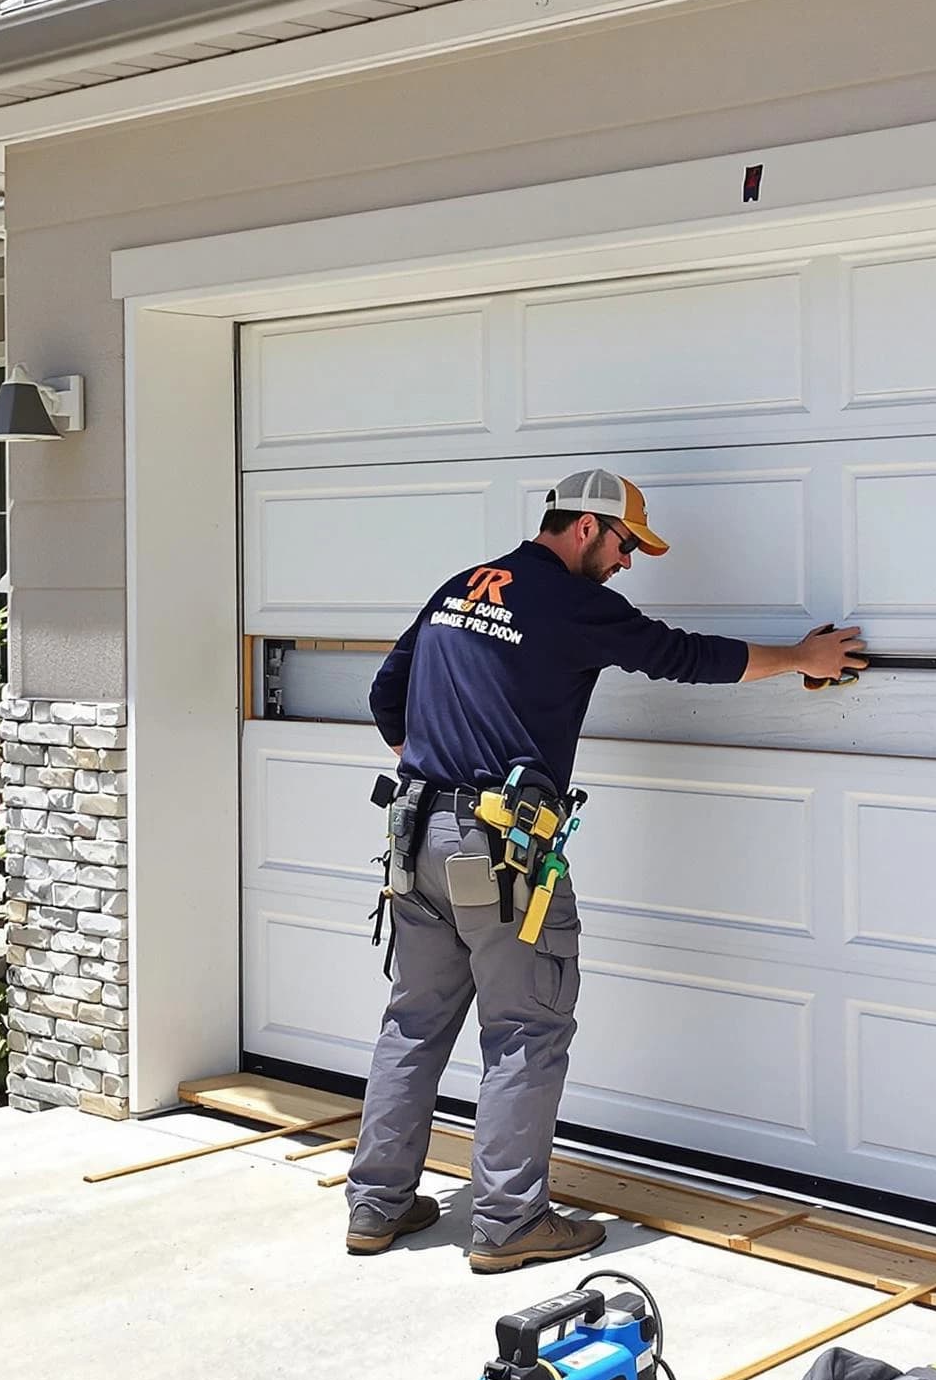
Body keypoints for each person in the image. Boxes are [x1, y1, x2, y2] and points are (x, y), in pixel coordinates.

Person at [344, 468, 866, 1271]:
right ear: (586, 528)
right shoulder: (570, 600)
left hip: (418, 841)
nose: (629, 563)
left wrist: (442, 777)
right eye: (626, 545)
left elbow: (387, 696)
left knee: (412, 1024)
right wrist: (801, 656)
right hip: (501, 853)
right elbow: (682, 657)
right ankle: (510, 1223)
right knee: (525, 1030)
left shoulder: (461, 587)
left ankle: (376, 1209)